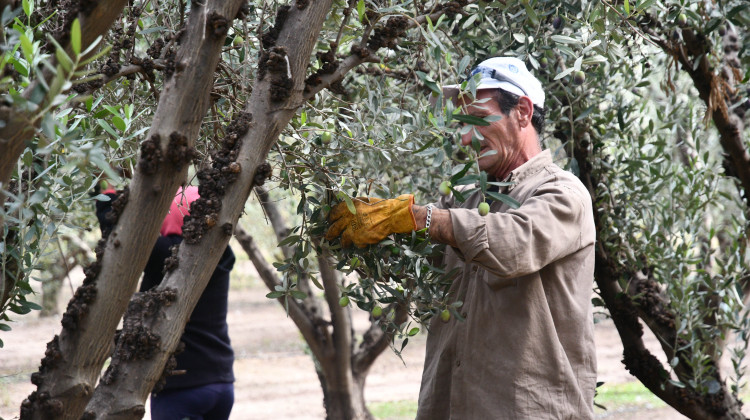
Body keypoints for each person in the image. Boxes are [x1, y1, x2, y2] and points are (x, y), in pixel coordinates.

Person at [325, 56, 597, 419]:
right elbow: (424, 265)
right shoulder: (469, 199)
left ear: (523, 112)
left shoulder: (563, 194)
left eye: (479, 120)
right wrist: (373, 236)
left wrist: (417, 217)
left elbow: (513, 245)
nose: (468, 137)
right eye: (462, 124)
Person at [96, 185, 236, 420]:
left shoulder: (168, 255)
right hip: (221, 381)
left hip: (182, 389)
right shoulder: (220, 254)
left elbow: (117, 229)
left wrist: (105, 189)